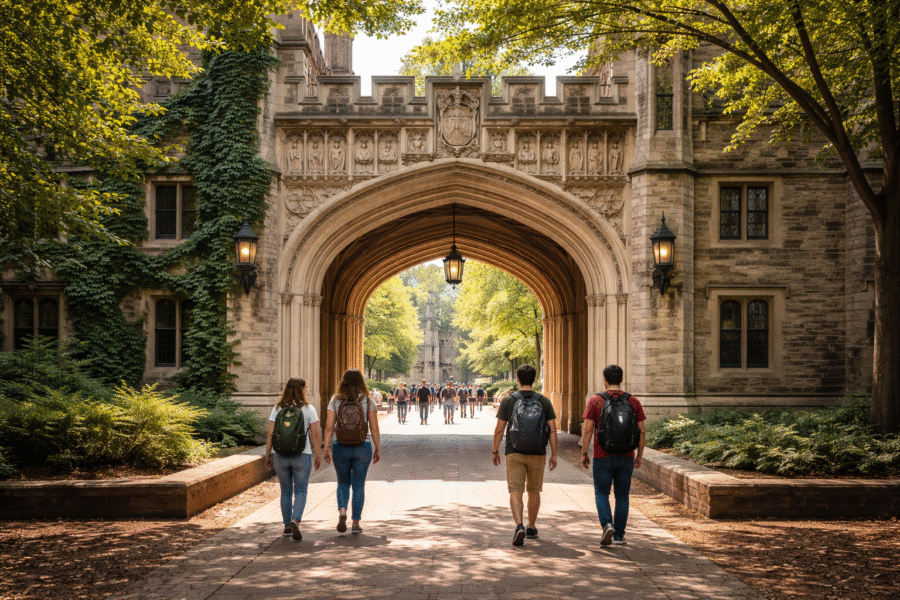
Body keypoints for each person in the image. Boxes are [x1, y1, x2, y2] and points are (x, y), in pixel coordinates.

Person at [580, 364, 646, 546]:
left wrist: (584, 452)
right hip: (626, 455)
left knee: (601, 493)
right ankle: (619, 536)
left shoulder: (595, 401)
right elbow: (641, 430)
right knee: (622, 496)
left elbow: (587, 429)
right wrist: (639, 455)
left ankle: (607, 524)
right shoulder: (633, 401)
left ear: (605, 380)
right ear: (622, 380)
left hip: (602, 455)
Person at [492, 364, 558, 546]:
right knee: (534, 491)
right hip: (538, 452)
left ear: (518, 379)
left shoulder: (508, 401)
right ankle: (531, 527)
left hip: (514, 452)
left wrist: (495, 449)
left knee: (515, 490)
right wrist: (554, 454)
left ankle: (519, 525)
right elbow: (553, 429)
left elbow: (499, 428)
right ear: (535, 380)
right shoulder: (543, 401)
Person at [323, 369, 381, 535]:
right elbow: (374, 427)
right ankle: (355, 523)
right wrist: (377, 447)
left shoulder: (335, 400)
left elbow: (329, 427)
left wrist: (326, 448)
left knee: (342, 482)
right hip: (363, 446)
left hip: (340, 445)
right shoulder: (368, 401)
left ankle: (342, 511)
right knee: (358, 485)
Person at [265, 378, 323, 540]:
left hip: (280, 455)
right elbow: (315, 434)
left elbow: (270, 433)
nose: (306, 390)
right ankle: (296, 519)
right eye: (305, 388)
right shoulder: (308, 409)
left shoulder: (277, 408)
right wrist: (318, 454)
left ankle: (286, 527)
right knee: (301, 490)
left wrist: (268, 453)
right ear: (301, 389)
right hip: (302, 455)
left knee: (285, 491)